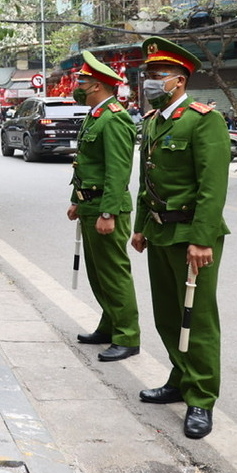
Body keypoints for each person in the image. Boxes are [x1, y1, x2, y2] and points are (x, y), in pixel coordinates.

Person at [130, 37, 231, 440]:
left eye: (157, 76)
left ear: (179, 79)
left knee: (198, 318)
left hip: (192, 234)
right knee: (168, 314)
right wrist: (139, 226)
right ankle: (179, 376)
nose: (150, 82)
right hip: (159, 229)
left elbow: (212, 185)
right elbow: (146, 181)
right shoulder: (154, 121)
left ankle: (201, 398)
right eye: (148, 75)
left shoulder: (204, 119)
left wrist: (203, 238)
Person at [67, 52, 140, 363]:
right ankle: (109, 325)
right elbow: (85, 162)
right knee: (98, 274)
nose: (76, 86)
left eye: (80, 82)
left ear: (95, 85)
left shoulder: (114, 118)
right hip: (89, 205)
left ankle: (127, 336)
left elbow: (117, 170)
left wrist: (108, 212)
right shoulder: (95, 115)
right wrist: (75, 199)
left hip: (105, 208)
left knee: (113, 273)